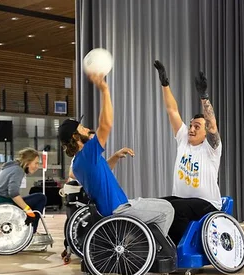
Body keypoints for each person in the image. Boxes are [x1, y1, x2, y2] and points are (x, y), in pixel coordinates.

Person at [58, 72, 174, 235]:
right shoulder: (87, 153)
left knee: (165, 204)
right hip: (118, 210)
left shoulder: (79, 163)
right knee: (167, 211)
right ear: (75, 137)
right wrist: (105, 90)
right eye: (81, 128)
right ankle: (151, 248)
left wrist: (115, 157)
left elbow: (100, 174)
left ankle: (146, 244)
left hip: (119, 204)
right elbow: (105, 125)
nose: (85, 128)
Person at [153, 61, 222, 245]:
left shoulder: (211, 148)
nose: (191, 129)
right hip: (183, 200)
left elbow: (212, 124)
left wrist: (204, 97)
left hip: (207, 204)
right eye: (191, 125)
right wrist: (165, 85)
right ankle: (151, 244)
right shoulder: (183, 139)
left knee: (178, 209)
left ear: (205, 132)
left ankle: (170, 248)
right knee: (157, 205)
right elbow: (172, 110)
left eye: (196, 127)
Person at [0, 147, 47, 233]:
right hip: (4, 202)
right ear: (27, 162)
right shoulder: (18, 170)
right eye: (36, 163)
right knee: (41, 198)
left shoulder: (10, 167)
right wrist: (28, 210)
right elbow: (13, 193)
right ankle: (32, 232)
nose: (37, 166)